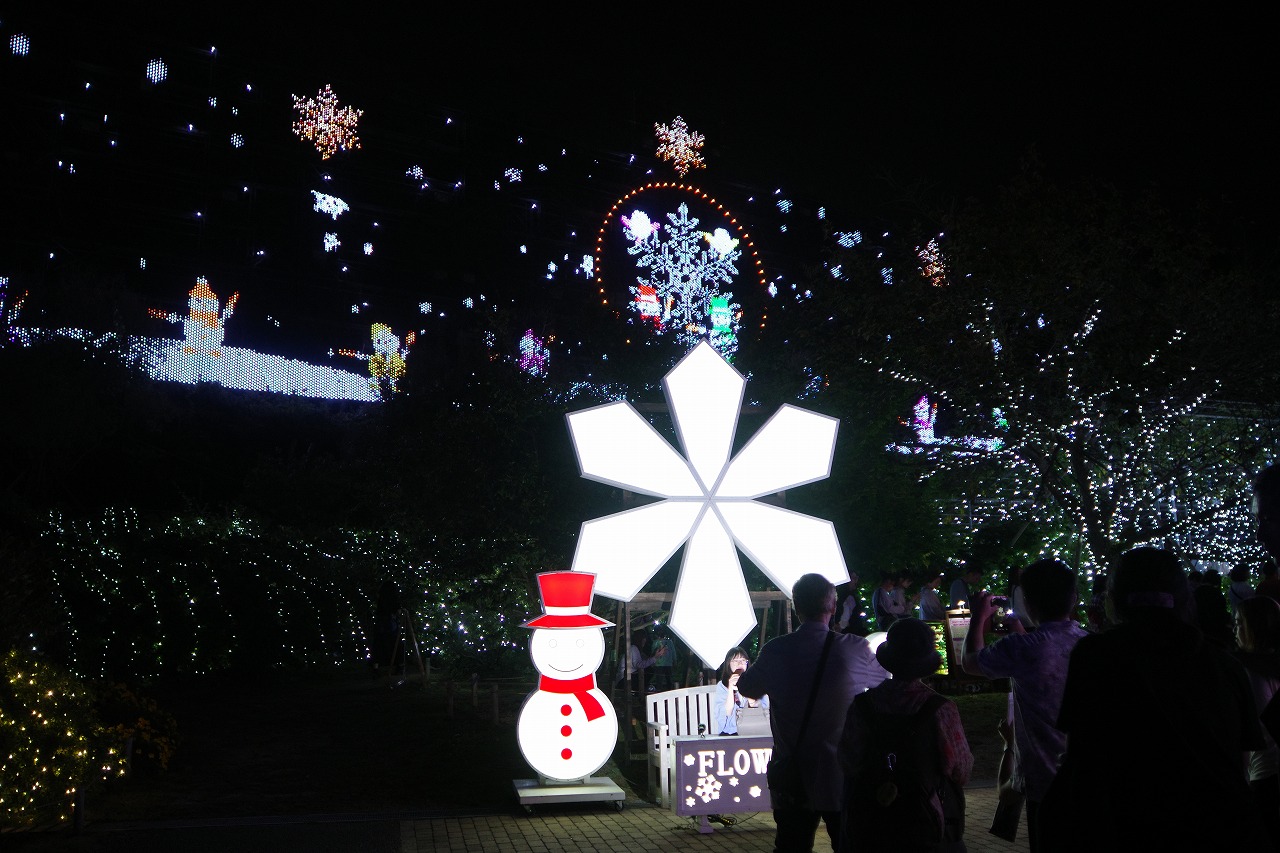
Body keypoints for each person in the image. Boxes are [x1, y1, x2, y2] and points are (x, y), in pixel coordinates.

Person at [1040, 547, 1265, 851]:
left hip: (1129, 825)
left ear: (1116, 594)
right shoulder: (1223, 663)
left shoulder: (1097, 656)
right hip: (1220, 825)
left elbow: (1082, 751)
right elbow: (1241, 760)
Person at [738, 573, 888, 853]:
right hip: (841, 775)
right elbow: (883, 684)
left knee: (791, 846)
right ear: (832, 607)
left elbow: (747, 688)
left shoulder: (776, 651)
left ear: (796, 608)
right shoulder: (854, 649)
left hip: (793, 776)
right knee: (850, 844)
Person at [960, 559, 1086, 851]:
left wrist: (978, 618)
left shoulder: (1022, 649)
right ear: (1074, 597)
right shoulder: (1089, 643)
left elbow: (970, 662)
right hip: (1088, 775)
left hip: (1044, 780)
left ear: (1027, 601)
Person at [842, 617, 973, 852]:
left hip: (872, 819)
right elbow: (960, 769)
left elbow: (849, 760)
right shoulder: (941, 709)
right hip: (926, 821)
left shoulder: (862, 706)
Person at [1235, 595, 1280, 846]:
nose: (1235, 629)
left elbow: (1257, 729)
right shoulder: (1271, 663)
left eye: (1240, 623)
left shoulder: (1248, 671)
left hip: (1264, 772)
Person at [713, 646, 768, 735]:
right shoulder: (722, 686)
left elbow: (762, 708)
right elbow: (726, 712)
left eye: (743, 660)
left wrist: (748, 690)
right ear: (728, 664)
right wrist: (731, 688)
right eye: (735, 661)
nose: (740, 664)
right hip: (730, 731)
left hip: (753, 729)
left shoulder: (757, 681)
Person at [650, 626, 676, 692]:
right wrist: (675, 661)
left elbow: (652, 653)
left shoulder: (655, 642)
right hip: (668, 664)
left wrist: (652, 663)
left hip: (659, 664)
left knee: (659, 681)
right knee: (669, 680)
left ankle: (660, 693)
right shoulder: (670, 642)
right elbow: (673, 653)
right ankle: (670, 693)